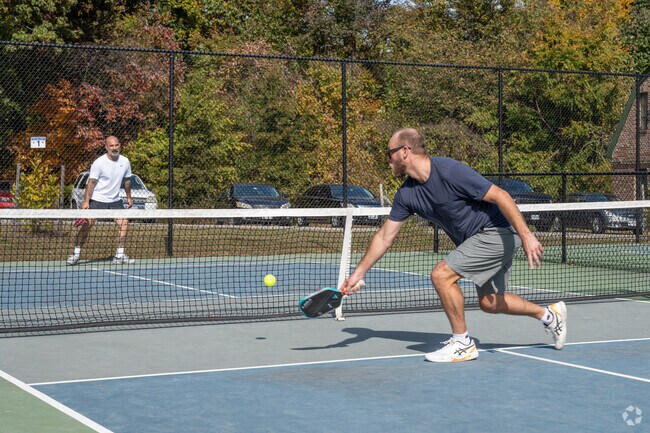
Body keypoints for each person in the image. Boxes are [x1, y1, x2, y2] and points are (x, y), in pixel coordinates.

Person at [340, 128, 567, 363]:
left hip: (494, 233)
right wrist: (358, 273)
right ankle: (549, 315)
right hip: (476, 241)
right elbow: (384, 237)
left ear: (405, 151)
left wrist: (527, 235)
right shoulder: (406, 195)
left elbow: (501, 195)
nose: (388, 160)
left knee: (441, 275)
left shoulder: (449, 171)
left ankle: (462, 343)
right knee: (489, 303)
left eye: (390, 154)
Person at [67, 135, 135, 265]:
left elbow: (127, 180)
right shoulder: (99, 163)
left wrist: (129, 197)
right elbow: (91, 183)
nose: (114, 148)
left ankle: (119, 255)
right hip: (98, 200)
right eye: (111, 146)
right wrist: (86, 202)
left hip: (115, 200)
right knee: (88, 225)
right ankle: (75, 254)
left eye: (116, 145)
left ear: (119, 145)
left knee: (124, 223)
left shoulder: (125, 161)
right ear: (106, 147)